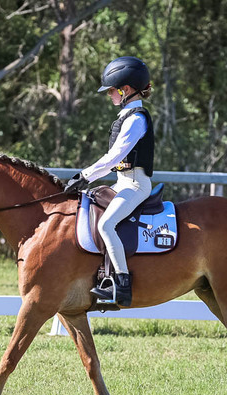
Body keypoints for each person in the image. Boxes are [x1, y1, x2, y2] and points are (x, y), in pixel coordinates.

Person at [64, 56, 155, 307]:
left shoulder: (137, 119)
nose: (109, 95)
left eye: (111, 91)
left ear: (125, 90)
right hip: (121, 182)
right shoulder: (126, 115)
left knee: (106, 225)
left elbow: (114, 156)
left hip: (136, 185)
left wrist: (84, 176)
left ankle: (122, 285)